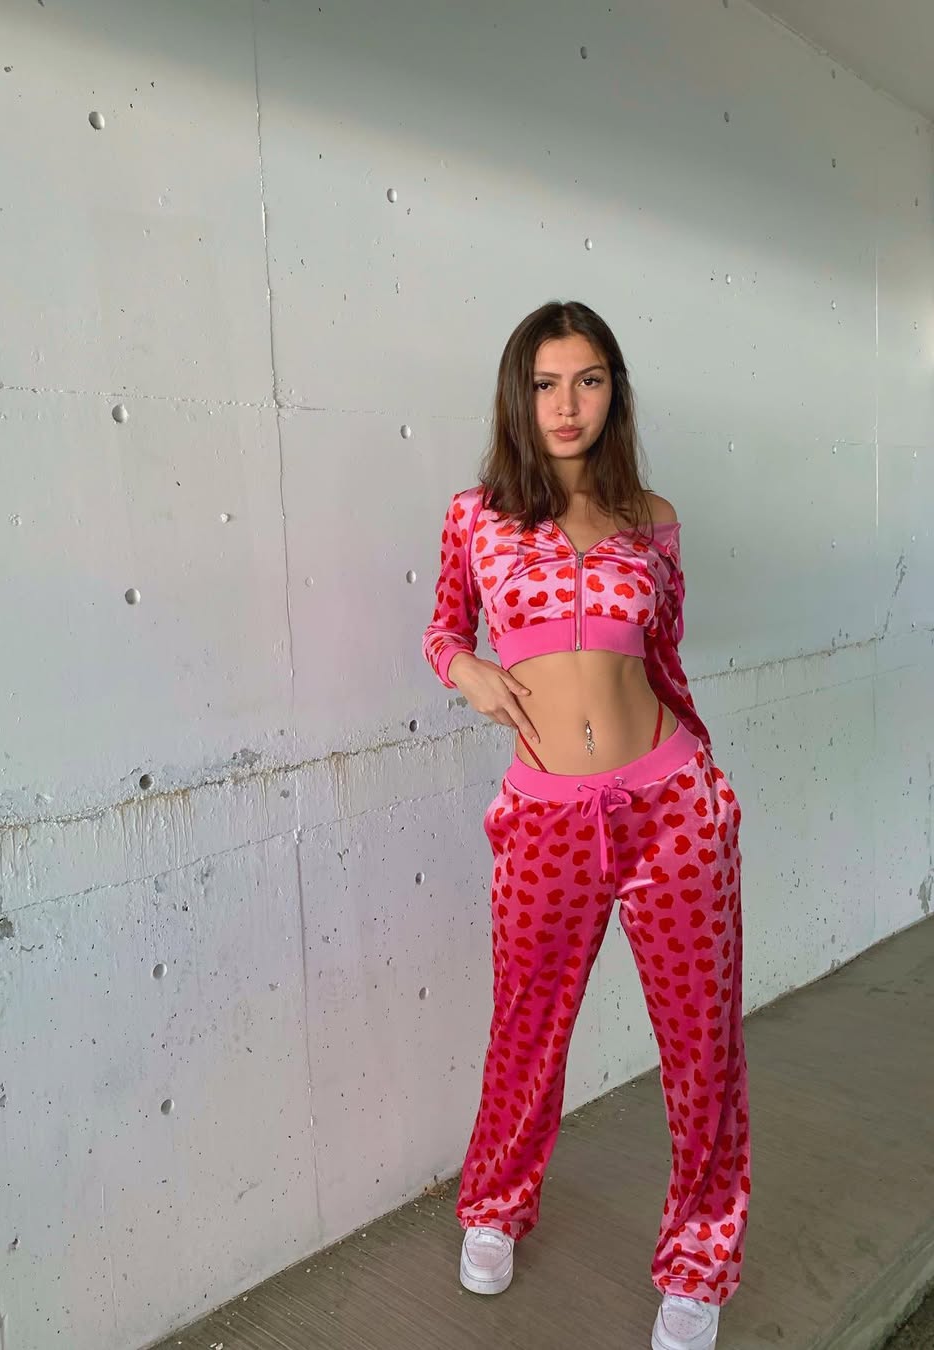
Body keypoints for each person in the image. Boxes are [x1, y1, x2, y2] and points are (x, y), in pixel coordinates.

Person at [421, 301, 749, 1350]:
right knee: (528, 1026)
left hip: (672, 810)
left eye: (590, 380)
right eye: (546, 383)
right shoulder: (476, 517)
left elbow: (665, 656)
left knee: (701, 1048)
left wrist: (706, 785)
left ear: (615, 392)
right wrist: (464, 667)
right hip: (544, 821)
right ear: (518, 396)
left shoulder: (652, 520)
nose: (568, 405)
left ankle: (699, 1263)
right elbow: (443, 627)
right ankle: (495, 1206)